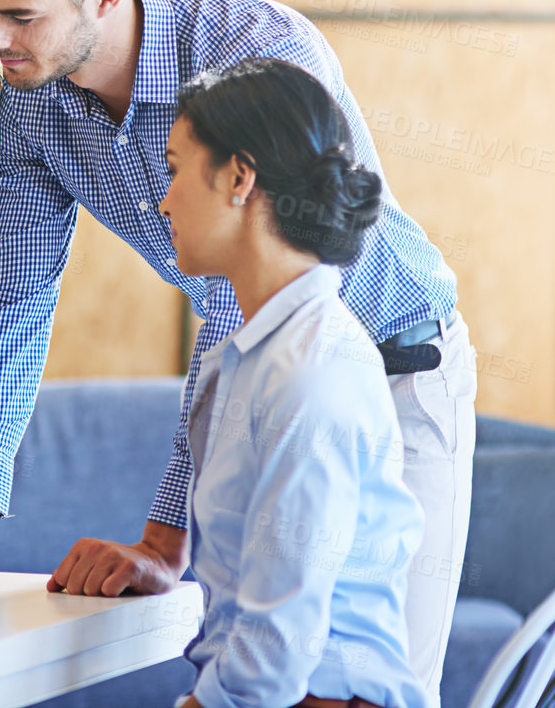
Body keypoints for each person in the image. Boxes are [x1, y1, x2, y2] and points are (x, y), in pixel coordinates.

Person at [0, 0, 476, 703]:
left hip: (389, 372)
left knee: (366, 686)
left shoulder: (254, 53)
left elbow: (249, 304)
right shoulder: (28, 94)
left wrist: (165, 541)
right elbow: (13, 299)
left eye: (19, 15)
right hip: (261, 371)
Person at [152, 58, 427, 708]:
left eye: (173, 168)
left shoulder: (310, 371)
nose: (163, 199)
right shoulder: (246, 354)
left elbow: (279, 643)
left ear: (239, 177)